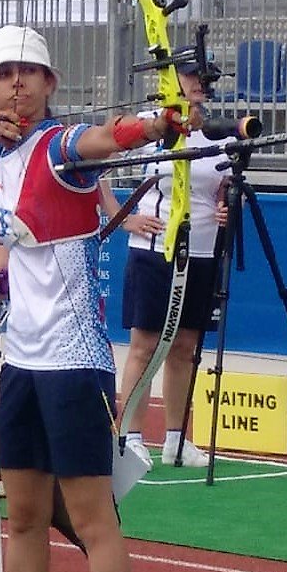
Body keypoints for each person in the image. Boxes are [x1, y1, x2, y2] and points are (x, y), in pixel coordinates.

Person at [0, 24, 198, 572]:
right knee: (23, 516)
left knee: (93, 520)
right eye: (3, 74)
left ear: (50, 82)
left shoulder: (56, 145)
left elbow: (101, 139)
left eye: (29, 71)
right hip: (20, 360)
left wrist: (152, 126)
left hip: (72, 363)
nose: (16, 83)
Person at [103, 71, 231, 469]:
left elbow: (223, 189)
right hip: (154, 249)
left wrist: (227, 209)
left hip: (204, 250)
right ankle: (130, 434)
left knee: (185, 348)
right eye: (187, 78)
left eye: (199, 80)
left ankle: (176, 438)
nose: (196, 85)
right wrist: (124, 219)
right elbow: (96, 170)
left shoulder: (220, 133)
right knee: (145, 346)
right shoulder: (148, 124)